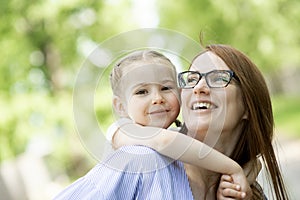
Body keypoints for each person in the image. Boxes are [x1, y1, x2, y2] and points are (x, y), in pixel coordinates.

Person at [53, 50, 251, 199]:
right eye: (141, 92)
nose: (157, 98)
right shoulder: (125, 132)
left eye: (166, 88)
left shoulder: (179, 146)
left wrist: (252, 167)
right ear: (120, 106)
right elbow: (165, 142)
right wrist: (233, 169)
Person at [112, 45, 290, 199]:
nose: (198, 88)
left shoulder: (247, 190)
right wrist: (233, 168)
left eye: (219, 78)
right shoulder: (139, 162)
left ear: (248, 105)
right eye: (191, 79)